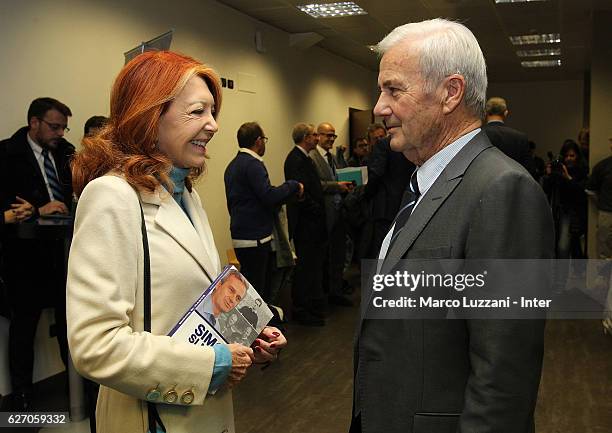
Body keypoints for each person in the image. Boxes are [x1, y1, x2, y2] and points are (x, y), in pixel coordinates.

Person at [67, 51, 286, 433]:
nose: (213, 125)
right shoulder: (112, 196)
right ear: (150, 117)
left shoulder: (184, 194)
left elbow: (199, 295)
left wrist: (247, 332)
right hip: (154, 419)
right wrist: (213, 364)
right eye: (198, 112)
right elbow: (94, 345)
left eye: (212, 112)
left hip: (204, 413)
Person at [352, 19, 554, 433]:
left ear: (450, 93)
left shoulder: (503, 190)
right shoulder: (424, 182)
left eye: (393, 89)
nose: (378, 107)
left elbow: (504, 374)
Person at [0, 97, 75, 411]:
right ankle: (21, 395)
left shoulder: (64, 153)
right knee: (24, 328)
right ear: (34, 123)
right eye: (54, 126)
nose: (60, 132)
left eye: (63, 127)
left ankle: (77, 386)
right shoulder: (5, 154)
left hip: (61, 252)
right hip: (23, 259)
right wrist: (38, 209)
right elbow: (10, 206)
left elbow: (72, 194)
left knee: (69, 323)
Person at [224, 122, 302, 304]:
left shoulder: (232, 166)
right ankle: (260, 330)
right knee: (259, 292)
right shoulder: (253, 164)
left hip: (240, 236)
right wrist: (293, 185)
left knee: (250, 287)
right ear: (258, 141)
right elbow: (268, 196)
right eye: (264, 139)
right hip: (256, 238)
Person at [284, 123, 327, 326]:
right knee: (304, 269)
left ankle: (310, 306)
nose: (317, 138)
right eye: (314, 135)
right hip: (305, 224)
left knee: (311, 267)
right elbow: (301, 195)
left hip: (312, 223)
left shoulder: (304, 158)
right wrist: (317, 208)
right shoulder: (295, 160)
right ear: (305, 137)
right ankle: (301, 309)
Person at [310, 122, 353, 307]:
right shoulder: (312, 157)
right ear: (317, 136)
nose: (332, 139)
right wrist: (337, 186)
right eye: (328, 135)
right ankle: (324, 295)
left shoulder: (333, 157)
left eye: (333, 136)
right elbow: (316, 185)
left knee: (338, 255)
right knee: (323, 259)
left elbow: (337, 176)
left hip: (338, 213)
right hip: (324, 215)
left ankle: (336, 292)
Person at [543, 139, 588, 259]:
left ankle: (574, 274)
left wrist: (568, 178)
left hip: (576, 213)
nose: (569, 158)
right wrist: (549, 175)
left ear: (577, 156)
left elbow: (581, 192)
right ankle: (562, 276)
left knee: (570, 247)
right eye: (566, 155)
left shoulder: (582, 171)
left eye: (572, 155)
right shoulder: (558, 170)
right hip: (560, 212)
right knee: (560, 247)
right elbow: (546, 190)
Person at [483, 96, 536, 177]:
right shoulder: (520, 137)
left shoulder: (478, 135)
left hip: (483, 185)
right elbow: (529, 170)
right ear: (505, 113)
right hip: (513, 186)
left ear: (486, 112)